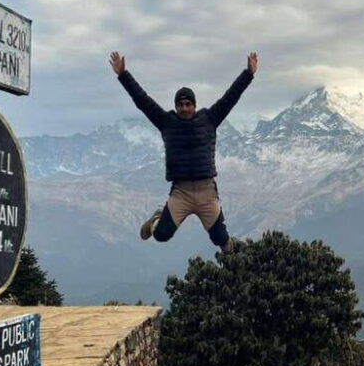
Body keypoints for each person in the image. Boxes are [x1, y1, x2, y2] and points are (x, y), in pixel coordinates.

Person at [109, 50, 258, 253]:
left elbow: (231, 97)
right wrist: (123, 75)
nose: (184, 108)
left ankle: (237, 271)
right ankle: (156, 219)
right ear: (176, 107)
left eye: (188, 104)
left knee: (222, 240)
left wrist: (248, 73)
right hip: (182, 192)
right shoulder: (166, 123)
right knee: (161, 235)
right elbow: (143, 101)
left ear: (194, 106)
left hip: (206, 192)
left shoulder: (210, 119)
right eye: (180, 105)